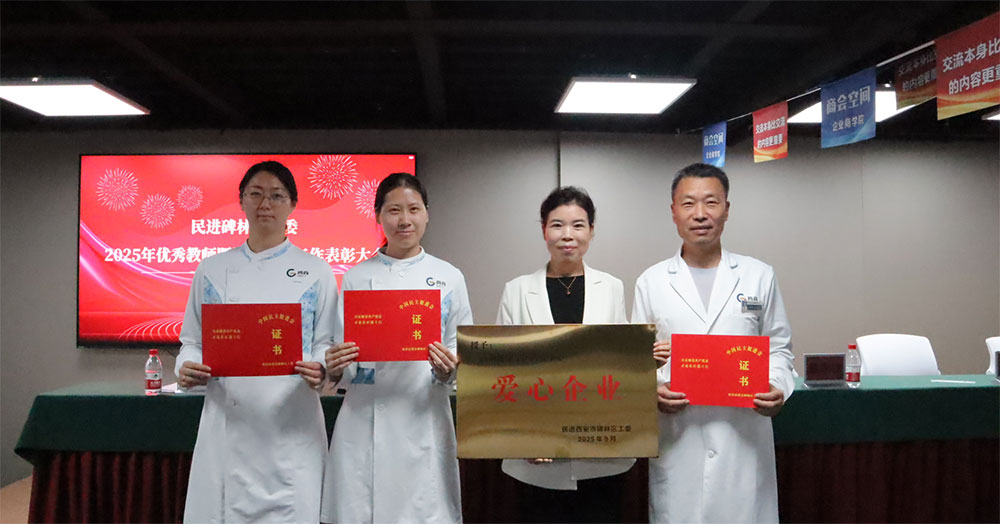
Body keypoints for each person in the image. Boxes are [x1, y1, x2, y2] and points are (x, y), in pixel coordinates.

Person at [632, 163, 795, 523]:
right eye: (688, 203)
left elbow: (779, 348)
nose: (700, 214)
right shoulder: (651, 282)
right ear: (673, 212)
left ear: (727, 209)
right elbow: (637, 360)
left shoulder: (758, 276)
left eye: (711, 202)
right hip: (679, 436)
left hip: (743, 436)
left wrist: (778, 387)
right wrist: (652, 389)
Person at [175, 160, 337, 523]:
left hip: (292, 421)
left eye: (277, 196)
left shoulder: (316, 271)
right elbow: (191, 342)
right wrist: (186, 366)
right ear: (241, 201)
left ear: (292, 205)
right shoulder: (212, 270)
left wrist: (321, 367)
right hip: (228, 422)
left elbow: (325, 341)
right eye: (256, 194)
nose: (266, 204)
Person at [321, 173, 473, 524]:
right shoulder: (357, 277)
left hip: (424, 416)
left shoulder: (449, 277)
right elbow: (344, 354)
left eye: (413, 209)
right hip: (366, 418)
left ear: (427, 213)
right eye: (393, 210)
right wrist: (336, 365)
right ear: (378, 216)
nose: (404, 220)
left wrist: (449, 369)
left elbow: (459, 350)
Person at [496, 186, 634, 523]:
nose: (567, 235)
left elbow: (619, 364)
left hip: (599, 450)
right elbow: (502, 371)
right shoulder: (516, 290)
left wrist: (645, 360)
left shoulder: (611, 287)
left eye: (578, 225)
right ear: (544, 230)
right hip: (537, 452)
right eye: (557, 225)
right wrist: (524, 439)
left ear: (592, 230)